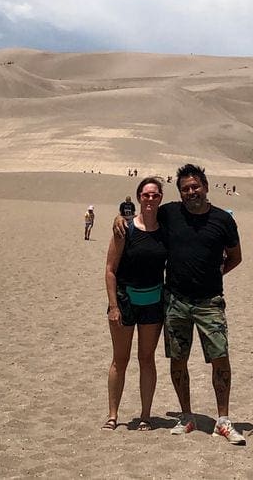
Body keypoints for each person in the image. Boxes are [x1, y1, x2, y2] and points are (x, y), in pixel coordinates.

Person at [113, 163, 245, 445]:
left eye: (195, 187)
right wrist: (118, 217)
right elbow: (144, 213)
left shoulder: (223, 220)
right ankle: (186, 416)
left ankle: (223, 419)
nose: (190, 192)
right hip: (175, 300)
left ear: (206, 187)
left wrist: (214, 274)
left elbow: (235, 257)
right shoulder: (170, 213)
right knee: (178, 359)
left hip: (209, 301)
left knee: (220, 357)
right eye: (185, 188)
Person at [103, 177, 167, 432]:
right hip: (125, 301)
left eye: (155, 195)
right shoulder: (124, 229)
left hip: (153, 303)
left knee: (147, 359)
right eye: (146, 195)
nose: (150, 199)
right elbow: (110, 270)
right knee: (120, 359)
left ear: (161, 198)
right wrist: (113, 305)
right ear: (138, 197)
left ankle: (146, 415)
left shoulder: (166, 229)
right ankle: (112, 415)